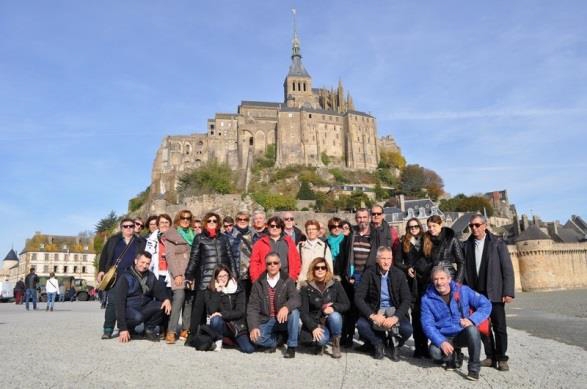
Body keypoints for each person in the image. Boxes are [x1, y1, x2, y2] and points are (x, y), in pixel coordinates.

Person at [462, 214, 515, 371]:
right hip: (477, 293)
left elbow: (507, 269)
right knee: (483, 327)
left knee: (499, 327)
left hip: (495, 291)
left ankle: (502, 358)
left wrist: (508, 292)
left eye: (477, 225)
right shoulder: (466, 245)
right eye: (471, 226)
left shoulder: (497, 243)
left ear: (485, 225)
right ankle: (490, 356)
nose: (474, 228)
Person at [421, 266, 492, 381]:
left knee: (473, 330)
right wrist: (441, 342)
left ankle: (474, 368)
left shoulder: (463, 290)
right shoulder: (426, 299)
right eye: (436, 279)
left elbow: (486, 304)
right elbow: (427, 325)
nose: (439, 282)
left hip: (461, 333)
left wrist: (472, 320)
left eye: (442, 278)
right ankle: (453, 357)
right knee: (435, 353)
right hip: (444, 336)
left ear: (449, 279)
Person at [355, 247, 413, 361]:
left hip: (394, 311)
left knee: (407, 330)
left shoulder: (399, 274)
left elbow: (406, 299)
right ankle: (378, 343)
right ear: (377, 259)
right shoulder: (369, 273)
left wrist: (395, 318)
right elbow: (358, 297)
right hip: (376, 310)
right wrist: (373, 316)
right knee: (362, 325)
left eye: (389, 258)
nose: (386, 262)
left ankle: (394, 344)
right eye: (383, 258)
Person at [185, 212, 236, 336]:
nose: (212, 223)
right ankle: (193, 336)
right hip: (205, 279)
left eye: (214, 221)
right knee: (199, 309)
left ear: (218, 223)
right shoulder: (199, 238)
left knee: (222, 308)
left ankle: (224, 335)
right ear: (205, 222)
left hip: (222, 279)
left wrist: (234, 276)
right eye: (209, 221)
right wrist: (188, 276)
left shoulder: (224, 238)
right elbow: (194, 259)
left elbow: (230, 257)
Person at [97, 217, 146, 339]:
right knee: (112, 303)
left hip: (133, 276)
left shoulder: (141, 242)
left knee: (131, 302)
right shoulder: (114, 240)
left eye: (131, 226)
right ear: (121, 228)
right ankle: (108, 329)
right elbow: (104, 256)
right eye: (126, 226)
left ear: (134, 227)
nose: (129, 228)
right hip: (116, 276)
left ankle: (128, 327)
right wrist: (101, 270)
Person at [247, 252, 301, 358]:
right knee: (256, 338)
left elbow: (296, 298)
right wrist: (253, 327)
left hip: (283, 318)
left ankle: (291, 346)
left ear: (280, 265)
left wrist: (286, 307)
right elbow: (252, 307)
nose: (272, 265)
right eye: (269, 263)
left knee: (294, 313)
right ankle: (276, 341)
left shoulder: (288, 280)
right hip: (267, 319)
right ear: (265, 265)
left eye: (275, 263)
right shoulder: (258, 283)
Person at [114, 251, 172, 343]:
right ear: (136, 261)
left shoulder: (151, 276)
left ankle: (148, 329)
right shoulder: (125, 276)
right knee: (138, 317)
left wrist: (166, 299)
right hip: (129, 308)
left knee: (163, 306)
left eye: (147, 263)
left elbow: (159, 291)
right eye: (142, 262)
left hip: (144, 305)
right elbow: (119, 303)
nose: (144, 265)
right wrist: (122, 328)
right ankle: (129, 328)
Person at [338, 208, 377, 346]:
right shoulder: (351, 234)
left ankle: (367, 340)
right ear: (356, 219)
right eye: (359, 217)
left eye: (364, 217)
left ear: (369, 218)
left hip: (369, 275)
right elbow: (345, 256)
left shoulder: (374, 234)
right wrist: (347, 274)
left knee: (366, 307)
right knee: (351, 307)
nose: (362, 220)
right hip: (354, 275)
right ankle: (347, 337)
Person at [300, 257, 350, 358]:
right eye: (317, 268)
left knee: (335, 316)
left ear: (327, 270)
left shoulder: (335, 284)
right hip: (317, 323)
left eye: (323, 268)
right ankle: (321, 344)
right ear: (312, 270)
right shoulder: (306, 287)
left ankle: (336, 344)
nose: (320, 270)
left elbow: (346, 304)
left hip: (331, 321)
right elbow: (303, 312)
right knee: (321, 340)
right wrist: (313, 327)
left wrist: (334, 307)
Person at [395, 217, 429, 358]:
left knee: (425, 314)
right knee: (415, 314)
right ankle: (418, 347)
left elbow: (431, 259)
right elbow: (397, 262)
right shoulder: (404, 242)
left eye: (415, 226)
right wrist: (406, 268)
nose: (413, 228)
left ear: (420, 227)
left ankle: (425, 346)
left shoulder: (426, 241)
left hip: (425, 280)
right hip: (410, 282)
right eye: (410, 227)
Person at [157, 211, 192, 344]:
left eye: (188, 218)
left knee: (189, 301)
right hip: (178, 272)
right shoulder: (171, 234)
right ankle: (171, 331)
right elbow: (170, 256)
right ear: (178, 219)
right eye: (183, 218)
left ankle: (185, 330)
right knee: (178, 299)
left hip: (191, 272)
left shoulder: (192, 234)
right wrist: (177, 274)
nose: (185, 220)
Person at [205, 264, 255, 353]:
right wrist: (217, 292)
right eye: (220, 276)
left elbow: (240, 312)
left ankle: (231, 339)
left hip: (237, 325)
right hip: (223, 325)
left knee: (249, 349)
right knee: (215, 320)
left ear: (229, 275)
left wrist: (222, 314)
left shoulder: (238, 288)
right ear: (215, 278)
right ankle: (219, 339)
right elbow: (211, 311)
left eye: (225, 275)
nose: (223, 278)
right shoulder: (211, 290)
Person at [416, 215, 465, 286]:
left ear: (440, 225)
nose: (431, 229)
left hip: (449, 278)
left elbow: (461, 262)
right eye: (429, 227)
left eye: (434, 226)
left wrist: (457, 283)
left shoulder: (451, 239)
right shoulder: (425, 240)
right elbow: (421, 259)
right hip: (432, 279)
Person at [249, 216, 301, 283]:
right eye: (272, 226)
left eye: (278, 226)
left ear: (281, 228)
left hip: (285, 280)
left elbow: (296, 261)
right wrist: (255, 279)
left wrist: (293, 277)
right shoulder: (260, 243)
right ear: (268, 227)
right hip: (265, 281)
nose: (275, 228)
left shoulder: (289, 242)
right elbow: (254, 262)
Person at [297, 219, 333, 286]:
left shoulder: (324, 247)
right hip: (304, 282)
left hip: (320, 283)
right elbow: (296, 265)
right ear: (306, 231)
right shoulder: (300, 247)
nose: (311, 231)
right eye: (309, 229)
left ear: (318, 231)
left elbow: (329, 267)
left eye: (313, 229)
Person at [234, 211, 254, 295]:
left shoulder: (254, 234)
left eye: (245, 219)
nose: (242, 221)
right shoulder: (230, 234)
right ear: (236, 220)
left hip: (250, 272)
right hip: (236, 272)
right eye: (240, 219)